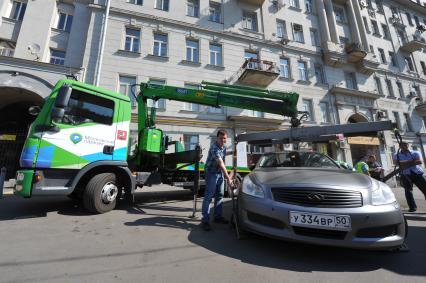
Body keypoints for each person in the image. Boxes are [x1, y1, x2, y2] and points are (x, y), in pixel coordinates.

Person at [201, 129, 233, 231]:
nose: (223, 140)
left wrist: (233, 152)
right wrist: (228, 178)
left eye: (224, 138)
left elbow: (223, 153)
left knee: (220, 195)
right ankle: (205, 220)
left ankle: (217, 217)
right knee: (209, 196)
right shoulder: (214, 148)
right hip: (211, 173)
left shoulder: (222, 147)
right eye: (221, 138)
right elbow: (221, 163)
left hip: (219, 173)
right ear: (217, 138)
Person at [393, 142, 426, 212]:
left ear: (408, 145)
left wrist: (403, 162)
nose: (405, 146)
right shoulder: (396, 155)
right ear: (400, 146)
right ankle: (412, 207)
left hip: (417, 174)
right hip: (405, 175)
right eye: (403, 145)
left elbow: (419, 161)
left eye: (406, 144)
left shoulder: (415, 152)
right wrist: (412, 161)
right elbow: (396, 163)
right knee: (408, 192)